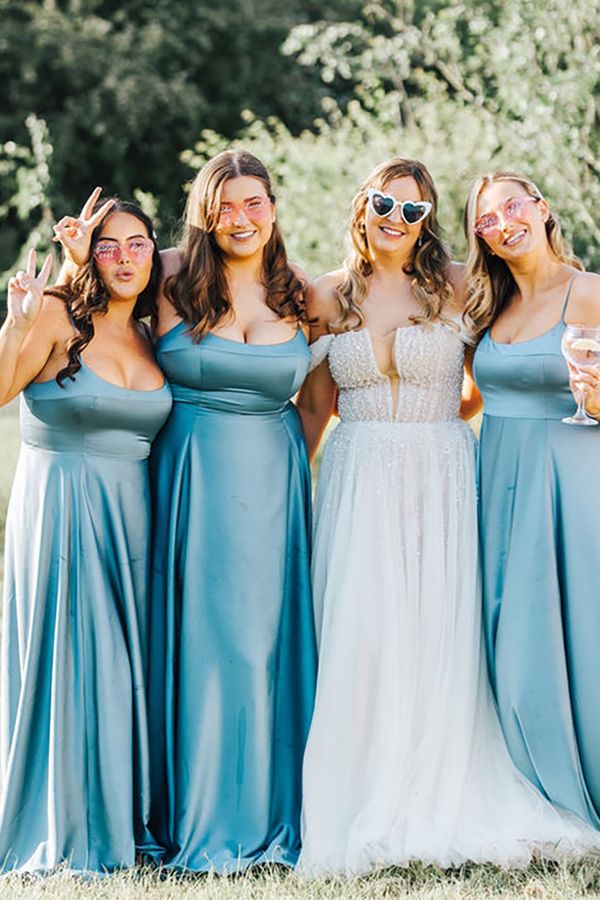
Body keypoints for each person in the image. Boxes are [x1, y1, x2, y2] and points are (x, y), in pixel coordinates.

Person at [296, 157, 599, 876]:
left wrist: (434, 420)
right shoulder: (326, 295)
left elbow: (488, 376)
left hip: (442, 471)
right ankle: (363, 791)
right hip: (358, 475)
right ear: (361, 205)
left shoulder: (460, 286)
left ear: (429, 222)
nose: (396, 219)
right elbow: (313, 407)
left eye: (414, 211)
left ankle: (448, 784)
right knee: (363, 636)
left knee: (443, 628)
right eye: (384, 204)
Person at [147, 149, 317, 872]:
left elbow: (318, 404)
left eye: (253, 203)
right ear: (203, 213)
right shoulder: (167, 276)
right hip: (191, 477)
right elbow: (87, 303)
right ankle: (199, 812)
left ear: (273, 208)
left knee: (265, 643)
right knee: (202, 645)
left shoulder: (301, 292)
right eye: (224, 205)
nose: (239, 218)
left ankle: (273, 809)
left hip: (275, 482)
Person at [0, 193, 172, 873]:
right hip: (63, 509)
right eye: (108, 246)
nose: (124, 259)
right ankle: (64, 824)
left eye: (137, 245)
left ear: (154, 254)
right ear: (89, 256)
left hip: (134, 518)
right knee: (71, 659)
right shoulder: (54, 314)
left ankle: (124, 817)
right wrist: (14, 325)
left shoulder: (155, 334)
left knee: (124, 668)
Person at [466, 170, 600, 827]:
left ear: (542, 209)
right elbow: (467, 398)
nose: (503, 224)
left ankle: (583, 787)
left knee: (582, 634)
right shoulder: (489, 308)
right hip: (502, 489)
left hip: (573, 483)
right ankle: (529, 785)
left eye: (512, 207)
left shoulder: (589, 292)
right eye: (486, 221)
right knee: (513, 641)